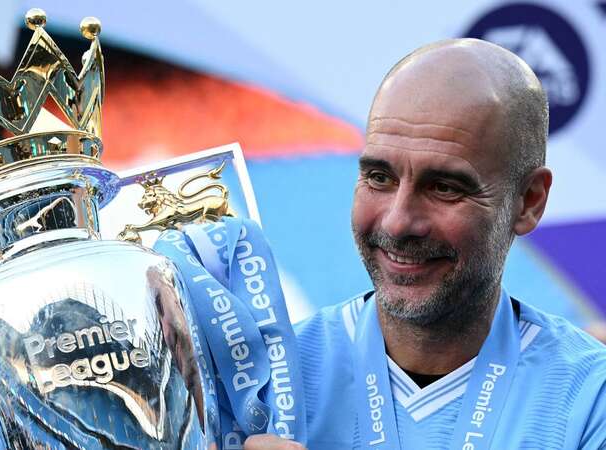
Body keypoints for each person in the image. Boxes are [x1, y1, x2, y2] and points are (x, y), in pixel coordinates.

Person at [246, 39, 606, 449]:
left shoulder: (590, 398)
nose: (398, 223)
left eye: (444, 187)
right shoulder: (263, 382)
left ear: (528, 202)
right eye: (379, 178)